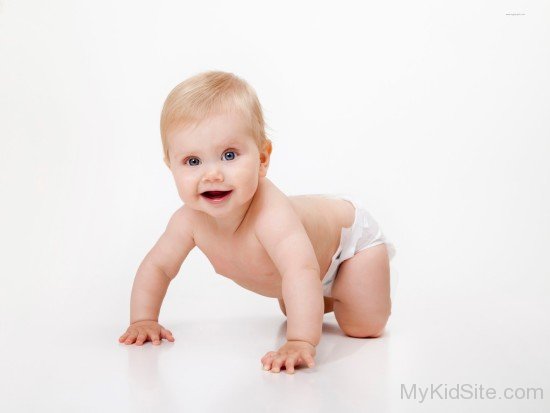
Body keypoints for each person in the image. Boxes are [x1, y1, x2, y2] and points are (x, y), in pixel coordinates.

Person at [118, 71, 397, 374]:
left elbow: (300, 271)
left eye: (229, 155)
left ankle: (342, 289)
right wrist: (143, 320)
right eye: (193, 161)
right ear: (170, 165)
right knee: (296, 299)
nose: (212, 174)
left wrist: (301, 341)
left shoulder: (272, 215)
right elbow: (157, 267)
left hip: (349, 245)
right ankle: (326, 296)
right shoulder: (188, 221)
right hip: (304, 269)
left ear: (262, 159)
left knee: (362, 326)